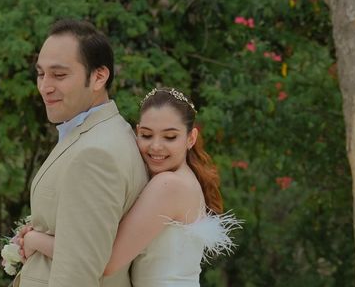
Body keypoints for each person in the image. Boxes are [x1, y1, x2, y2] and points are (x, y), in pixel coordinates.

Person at [17, 87, 241, 287]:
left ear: (191, 138)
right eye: (146, 135)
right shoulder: (178, 178)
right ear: (136, 131)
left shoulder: (168, 185)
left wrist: (34, 240)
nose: (156, 146)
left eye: (170, 137)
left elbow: (104, 261)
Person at [12, 19, 148, 287]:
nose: (45, 87)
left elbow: (79, 273)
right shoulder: (99, 134)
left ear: (99, 77)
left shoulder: (97, 154)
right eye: (41, 74)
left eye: (59, 75)